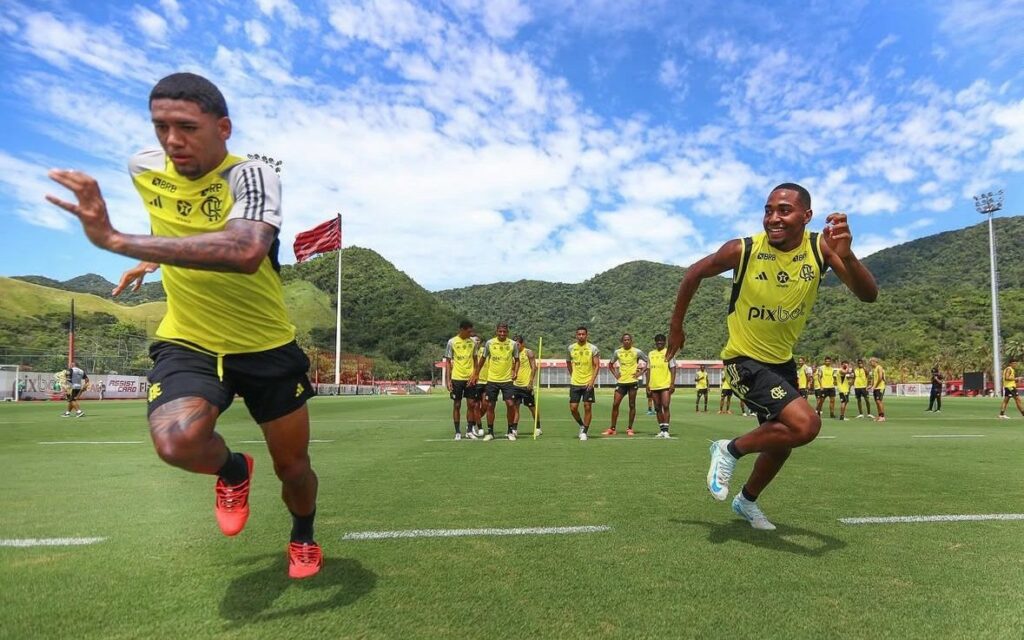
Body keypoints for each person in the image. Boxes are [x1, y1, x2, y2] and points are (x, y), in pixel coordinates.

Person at [46, 73, 322, 578]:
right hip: (189, 339)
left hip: (265, 344)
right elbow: (167, 214)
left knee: (294, 469)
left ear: (224, 128)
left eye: (187, 128)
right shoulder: (144, 167)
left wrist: (116, 241)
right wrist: (149, 259)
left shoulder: (253, 175)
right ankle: (234, 469)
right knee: (176, 442)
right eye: (161, 127)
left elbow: (244, 251)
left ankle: (303, 534)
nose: (172, 141)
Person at [668, 183, 877, 530]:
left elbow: (868, 295)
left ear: (806, 216)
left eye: (784, 210)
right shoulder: (743, 249)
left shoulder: (821, 248)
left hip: (782, 362)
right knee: (806, 425)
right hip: (742, 359)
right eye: (768, 210)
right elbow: (693, 274)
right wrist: (677, 328)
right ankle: (728, 449)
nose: (773, 218)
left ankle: (746, 501)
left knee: (782, 440)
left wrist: (849, 256)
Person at [479, 322, 520, 440]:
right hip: (492, 380)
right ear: (496, 331)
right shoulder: (489, 343)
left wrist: (515, 371)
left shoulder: (513, 344)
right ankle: (490, 432)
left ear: (508, 332)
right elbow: (482, 359)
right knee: (490, 406)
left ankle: (510, 431)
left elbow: (517, 360)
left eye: (504, 332)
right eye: (500, 331)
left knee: (511, 404)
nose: (502, 334)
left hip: (507, 380)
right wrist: (476, 373)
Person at [605, 333, 648, 436]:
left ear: (631, 341)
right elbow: (610, 364)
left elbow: (649, 362)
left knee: (632, 404)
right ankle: (612, 428)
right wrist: (616, 374)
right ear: (622, 341)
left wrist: (640, 372)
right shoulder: (617, 352)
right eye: (625, 340)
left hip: (632, 381)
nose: (627, 341)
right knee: (615, 404)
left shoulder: (637, 352)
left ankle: (629, 428)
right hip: (621, 382)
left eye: (628, 340)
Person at [444, 320, 477, 440]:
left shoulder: (472, 342)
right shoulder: (452, 342)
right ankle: (457, 432)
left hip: (470, 379)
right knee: (457, 404)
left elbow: (476, 360)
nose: (471, 333)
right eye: (469, 331)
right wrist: (448, 380)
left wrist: (474, 375)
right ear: (462, 329)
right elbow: (447, 362)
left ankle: (469, 430)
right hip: (457, 378)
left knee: (471, 405)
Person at [567, 326, 600, 441]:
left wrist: (591, 381)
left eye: (583, 334)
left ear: (587, 335)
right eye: (579, 334)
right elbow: (568, 362)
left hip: (587, 383)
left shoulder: (593, 348)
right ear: (576, 335)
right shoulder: (571, 348)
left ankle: (585, 431)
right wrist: (573, 375)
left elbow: (597, 366)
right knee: (573, 408)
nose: (581, 336)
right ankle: (581, 424)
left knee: (587, 406)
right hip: (575, 383)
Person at [511, 335, 541, 436]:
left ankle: (538, 427)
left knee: (532, 407)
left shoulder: (528, 352)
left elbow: (534, 368)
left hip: (526, 386)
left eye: (517, 344)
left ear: (522, 343)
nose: (516, 346)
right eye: (514, 345)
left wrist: (531, 382)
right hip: (515, 385)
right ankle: (514, 429)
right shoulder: (512, 354)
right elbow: (512, 367)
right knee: (515, 407)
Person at [647, 334, 675, 438]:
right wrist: (647, 384)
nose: (659, 343)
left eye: (662, 341)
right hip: (654, 385)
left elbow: (673, 368)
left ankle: (666, 430)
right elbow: (648, 369)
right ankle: (662, 430)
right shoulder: (651, 354)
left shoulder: (669, 353)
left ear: (665, 342)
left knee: (666, 406)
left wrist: (672, 383)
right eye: (658, 341)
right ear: (655, 342)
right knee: (657, 408)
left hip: (665, 384)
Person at [870, 357, 887, 422]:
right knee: (877, 402)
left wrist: (875, 386)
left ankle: (882, 416)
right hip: (876, 387)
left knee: (879, 401)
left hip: (880, 387)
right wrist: (871, 386)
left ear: (874, 361)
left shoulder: (879, 367)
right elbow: (874, 378)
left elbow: (880, 378)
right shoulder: (874, 369)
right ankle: (879, 416)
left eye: (871, 362)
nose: (870, 363)